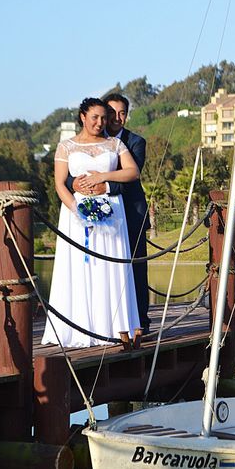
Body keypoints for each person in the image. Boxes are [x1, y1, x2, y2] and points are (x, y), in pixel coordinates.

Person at [41, 97, 141, 347]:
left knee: (109, 266)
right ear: (82, 117)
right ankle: (79, 327)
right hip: (77, 214)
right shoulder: (66, 146)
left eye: (103, 118)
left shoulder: (115, 144)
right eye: (95, 117)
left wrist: (103, 176)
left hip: (111, 211)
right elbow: (59, 184)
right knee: (82, 266)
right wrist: (77, 211)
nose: (100, 122)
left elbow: (132, 172)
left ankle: (112, 327)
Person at [67, 94, 150, 332]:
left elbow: (132, 178)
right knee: (95, 267)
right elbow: (70, 173)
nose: (116, 118)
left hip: (130, 214)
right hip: (90, 214)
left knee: (134, 269)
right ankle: (96, 321)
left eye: (121, 113)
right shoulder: (81, 142)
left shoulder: (134, 142)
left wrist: (105, 185)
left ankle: (139, 322)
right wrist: (76, 184)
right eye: (111, 112)